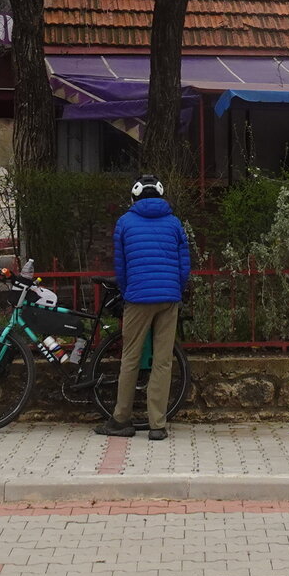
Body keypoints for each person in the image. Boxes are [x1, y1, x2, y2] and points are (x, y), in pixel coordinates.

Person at [97, 174, 190, 441]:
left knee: (131, 359)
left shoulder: (124, 223)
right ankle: (157, 425)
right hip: (168, 298)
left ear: (134, 197)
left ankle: (121, 420)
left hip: (137, 298)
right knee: (162, 361)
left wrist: (128, 291)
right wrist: (175, 288)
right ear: (161, 196)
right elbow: (184, 265)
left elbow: (121, 266)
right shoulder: (174, 223)